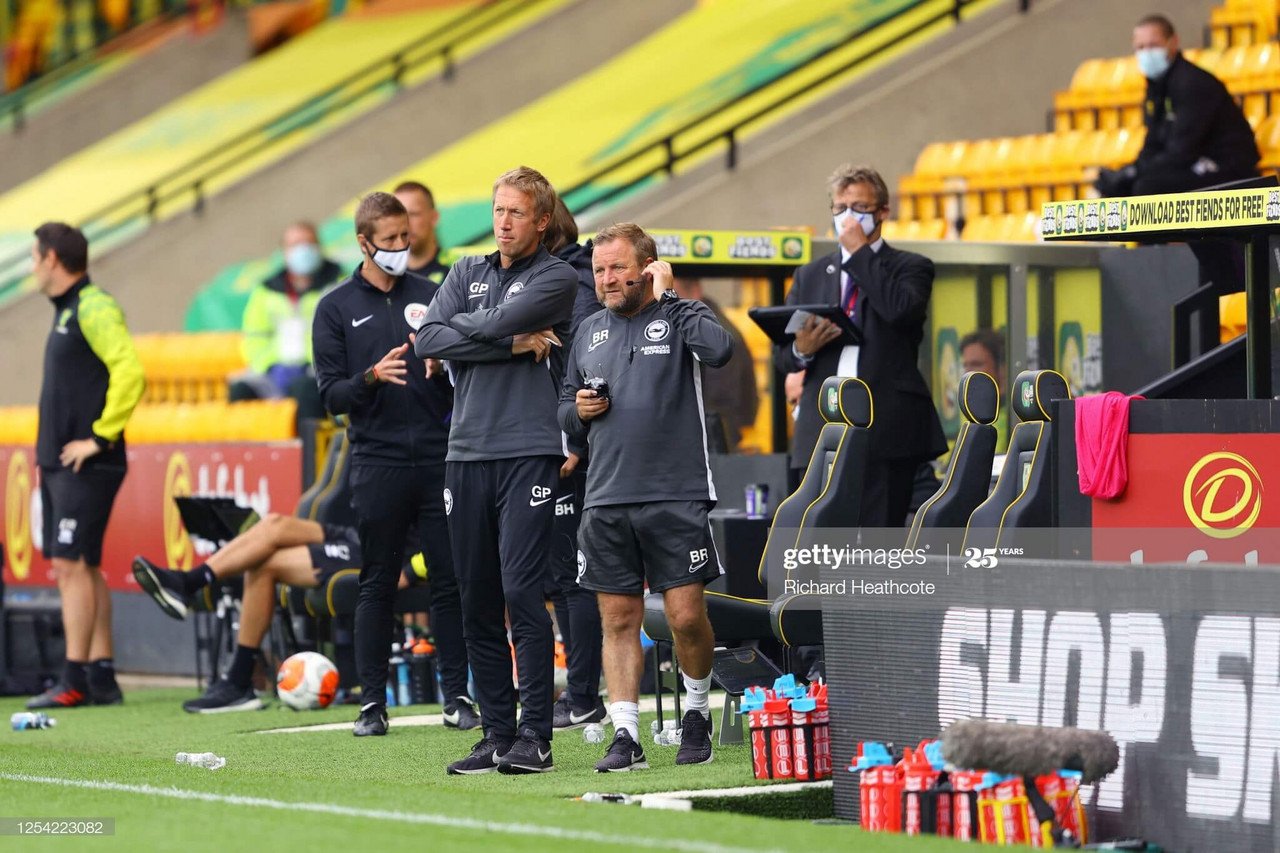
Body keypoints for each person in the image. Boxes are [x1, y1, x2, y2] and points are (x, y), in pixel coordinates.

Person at [414, 166, 577, 775]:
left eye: (516, 213)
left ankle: (535, 734)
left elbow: (452, 329)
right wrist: (509, 344)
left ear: (540, 220)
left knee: (520, 591)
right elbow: (427, 339)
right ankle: (495, 733)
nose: (503, 223)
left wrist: (468, 331)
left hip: (529, 451)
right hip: (465, 454)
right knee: (476, 596)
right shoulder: (464, 271)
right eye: (498, 211)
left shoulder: (556, 277)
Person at [559, 222, 734, 773]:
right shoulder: (587, 330)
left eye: (617, 268)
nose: (607, 279)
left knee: (684, 618)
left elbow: (720, 350)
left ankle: (698, 712)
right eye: (599, 270)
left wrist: (672, 295)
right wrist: (578, 413)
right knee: (617, 619)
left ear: (649, 267)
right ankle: (626, 735)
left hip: (675, 492)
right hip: (605, 496)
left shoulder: (682, 315)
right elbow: (564, 408)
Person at [311, 192, 475, 737]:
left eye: (405, 238)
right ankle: (372, 703)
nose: (401, 249)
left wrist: (444, 366)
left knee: (449, 581)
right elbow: (329, 396)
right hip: (377, 461)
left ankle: (457, 696)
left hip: (438, 457)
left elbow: (468, 370)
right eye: (389, 242)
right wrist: (370, 378)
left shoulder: (434, 294)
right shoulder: (335, 308)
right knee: (377, 580)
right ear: (364, 243)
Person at [773, 164, 946, 526]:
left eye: (860, 208)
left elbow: (900, 311)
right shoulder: (812, 274)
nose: (848, 218)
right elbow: (783, 357)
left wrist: (859, 255)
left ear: (883, 212)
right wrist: (802, 348)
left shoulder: (910, 267)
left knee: (877, 540)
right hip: (822, 427)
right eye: (841, 209)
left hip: (885, 428)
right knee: (819, 541)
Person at [130, 516, 428, 713]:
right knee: (274, 524)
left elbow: (450, 525)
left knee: (263, 565)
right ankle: (188, 582)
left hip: (387, 553)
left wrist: (411, 571)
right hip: (358, 534)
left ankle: (237, 680)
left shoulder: (440, 442)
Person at [27, 222, 144, 709]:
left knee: (69, 564)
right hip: (61, 464)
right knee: (83, 565)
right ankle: (101, 676)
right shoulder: (66, 312)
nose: (32, 266)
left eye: (35, 256)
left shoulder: (92, 306)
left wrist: (99, 437)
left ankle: (72, 678)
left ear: (52, 258)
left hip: (86, 464)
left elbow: (130, 370)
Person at [1095, 14, 1260, 293]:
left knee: (1149, 186)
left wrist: (1136, 174)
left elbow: (1181, 151)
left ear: (1173, 43)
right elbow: (1153, 144)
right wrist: (1127, 173)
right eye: (1141, 47)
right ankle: (1128, 277)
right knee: (1122, 189)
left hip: (1228, 169)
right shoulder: (1157, 88)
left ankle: (1155, 277)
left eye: (1153, 44)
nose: (1147, 53)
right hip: (1189, 164)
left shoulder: (1192, 83)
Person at [541, 198, 606, 730]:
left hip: (580, 446)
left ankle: (583, 692)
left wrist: (574, 441)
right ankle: (583, 690)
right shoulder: (573, 274)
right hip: (574, 439)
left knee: (575, 575)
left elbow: (585, 360)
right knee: (568, 575)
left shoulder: (571, 281)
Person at [230, 221, 340, 421]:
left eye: (309, 243)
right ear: (284, 251)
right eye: (296, 245)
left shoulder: (339, 284)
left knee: (305, 389)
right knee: (240, 391)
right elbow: (254, 337)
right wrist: (269, 366)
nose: (303, 250)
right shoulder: (266, 291)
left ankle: (310, 452)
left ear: (319, 246)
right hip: (274, 371)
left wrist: (315, 363)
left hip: (320, 370)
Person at [672, 277, 759, 450]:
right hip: (714, 433)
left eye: (673, 296)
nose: (665, 305)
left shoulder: (710, 332)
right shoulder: (710, 324)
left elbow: (718, 397)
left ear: (695, 291)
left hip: (710, 436)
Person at [394, 180, 449, 282]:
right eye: (398, 215)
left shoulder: (461, 272)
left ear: (434, 217)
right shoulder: (382, 279)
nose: (404, 224)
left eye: (413, 214)